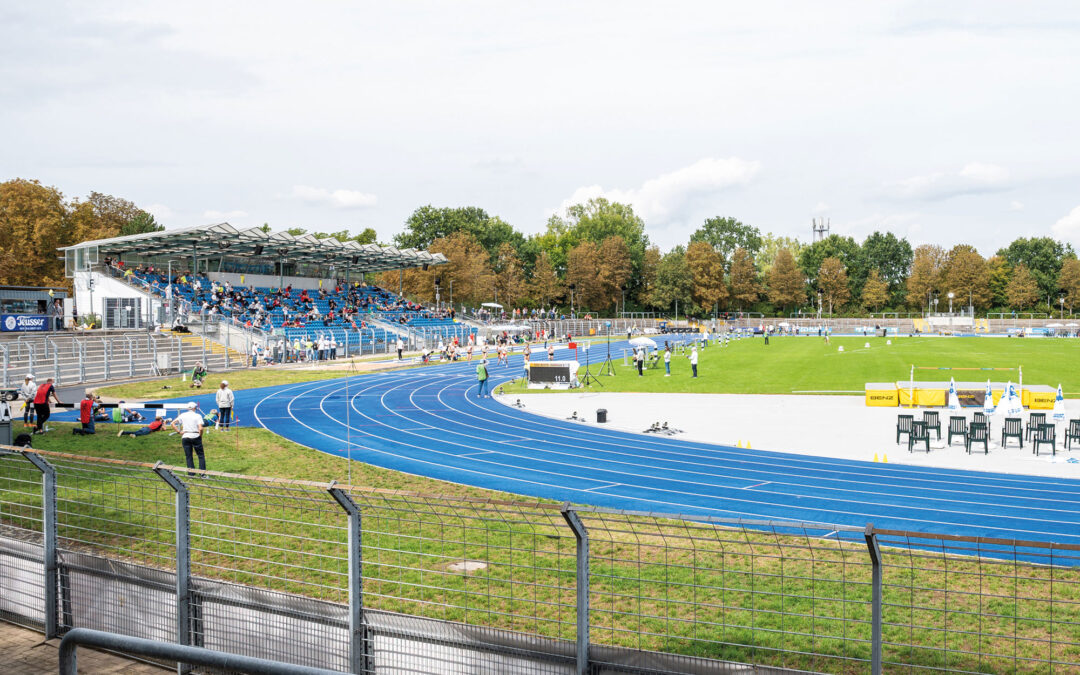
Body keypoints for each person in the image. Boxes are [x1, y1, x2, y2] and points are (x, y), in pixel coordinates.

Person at [172, 402, 206, 474]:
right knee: (200, 455)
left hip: (185, 436)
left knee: (188, 456)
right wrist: (200, 436)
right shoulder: (198, 416)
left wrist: (179, 431)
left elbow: (173, 423)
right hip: (195, 435)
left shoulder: (183, 415)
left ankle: (191, 473)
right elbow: (201, 428)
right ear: (194, 408)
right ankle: (202, 473)